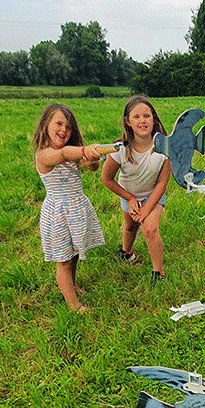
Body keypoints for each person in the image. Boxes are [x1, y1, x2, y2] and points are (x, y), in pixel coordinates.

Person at [31, 103, 118, 312]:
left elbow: (91, 166)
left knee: (75, 254)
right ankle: (73, 305)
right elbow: (62, 156)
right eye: (59, 124)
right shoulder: (44, 155)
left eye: (68, 127)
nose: (64, 130)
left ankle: (73, 284)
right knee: (63, 260)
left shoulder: (73, 152)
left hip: (77, 208)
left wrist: (91, 158)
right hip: (58, 213)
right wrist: (83, 150)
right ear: (46, 125)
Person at [100, 95, 172, 285]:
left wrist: (147, 208)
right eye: (137, 117)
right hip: (128, 194)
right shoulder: (120, 149)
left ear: (154, 119)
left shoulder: (164, 148)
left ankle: (159, 272)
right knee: (130, 227)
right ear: (128, 121)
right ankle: (127, 252)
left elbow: (162, 184)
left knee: (150, 229)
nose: (142, 121)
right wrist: (130, 199)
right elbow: (107, 178)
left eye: (147, 116)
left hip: (153, 195)